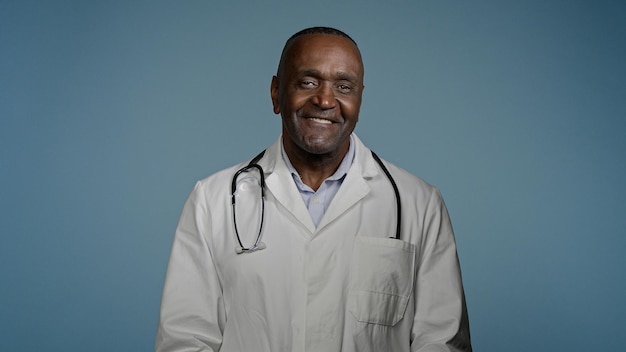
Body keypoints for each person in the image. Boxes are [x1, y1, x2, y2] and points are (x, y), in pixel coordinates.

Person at [155, 26, 472, 352]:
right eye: (308, 82)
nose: (324, 100)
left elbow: (442, 343)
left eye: (344, 86)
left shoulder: (419, 204)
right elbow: (185, 340)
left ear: (360, 99)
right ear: (276, 93)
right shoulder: (214, 200)